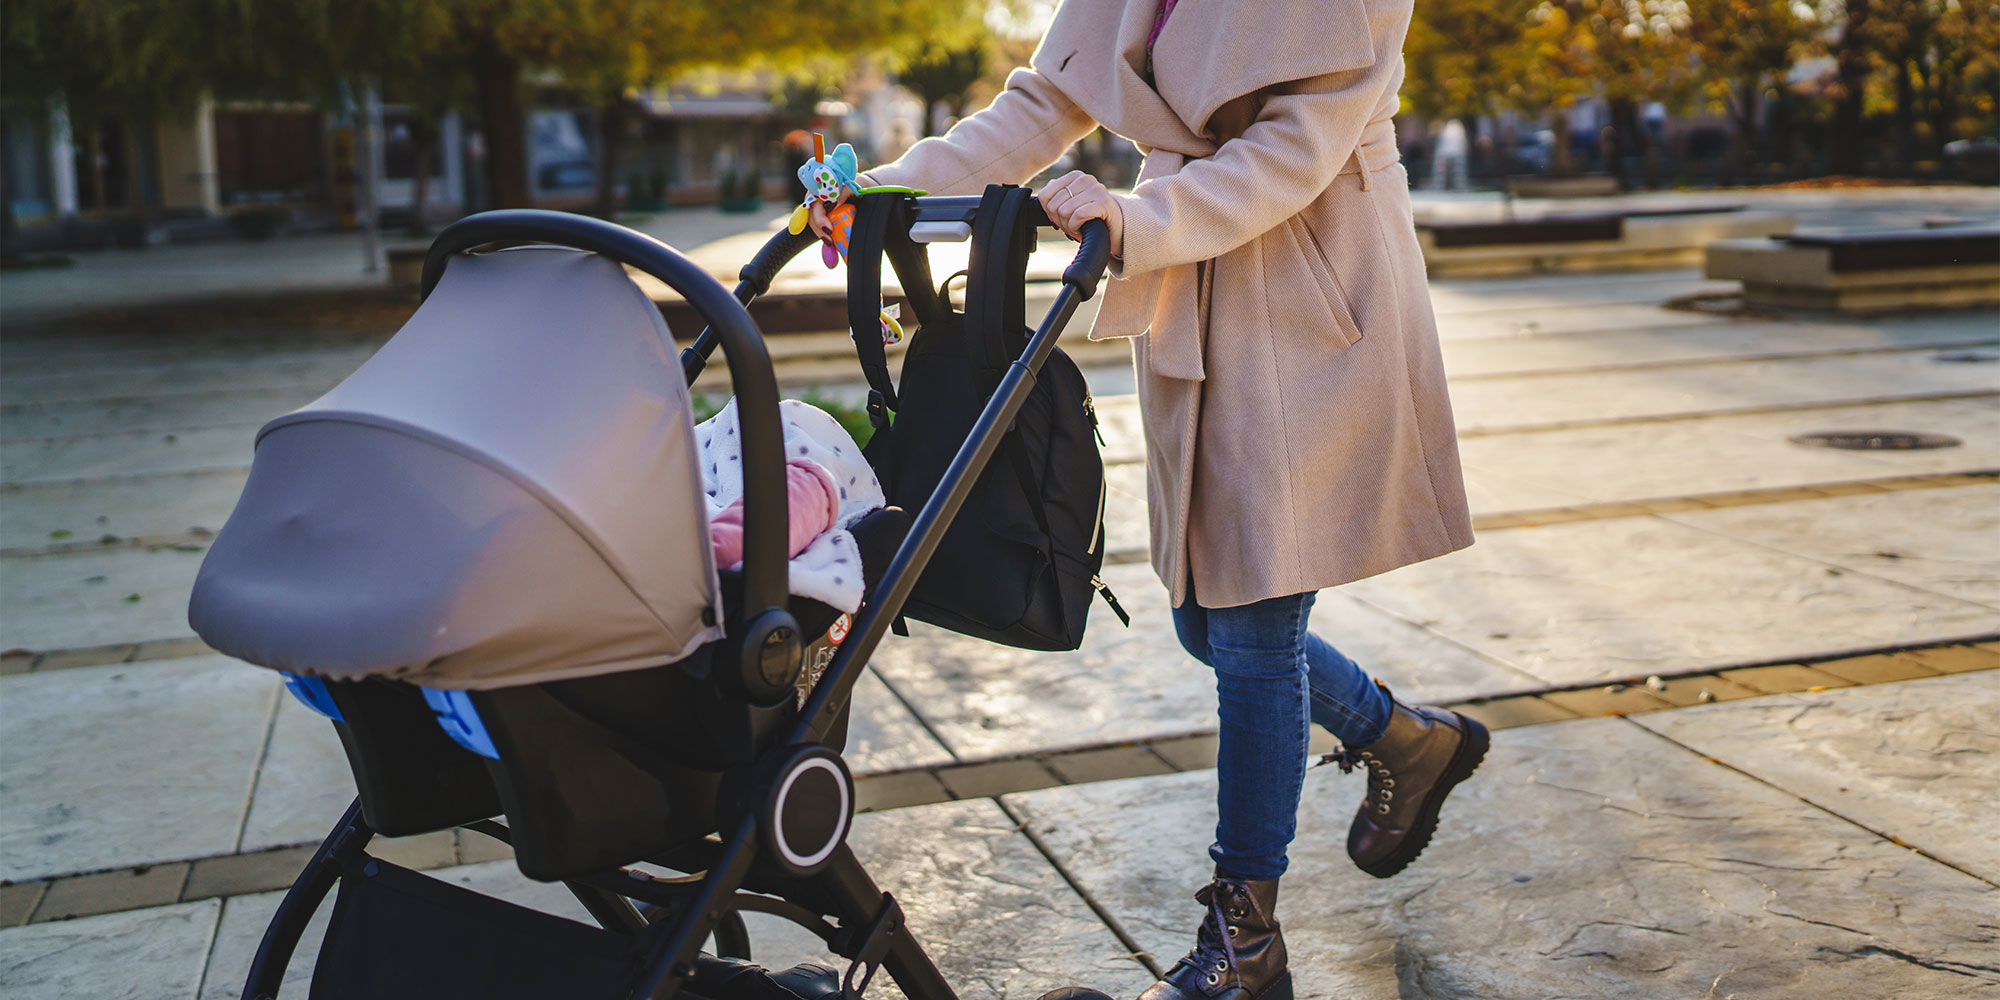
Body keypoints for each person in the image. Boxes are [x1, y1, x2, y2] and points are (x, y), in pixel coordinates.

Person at [856, 1, 1484, 996]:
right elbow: (1045, 100)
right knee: (1207, 615)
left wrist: (1138, 219)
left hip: (1313, 291)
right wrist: (889, 189)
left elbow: (1289, 148)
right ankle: (1407, 736)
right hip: (1192, 273)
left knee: (1249, 625)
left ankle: (1246, 942)